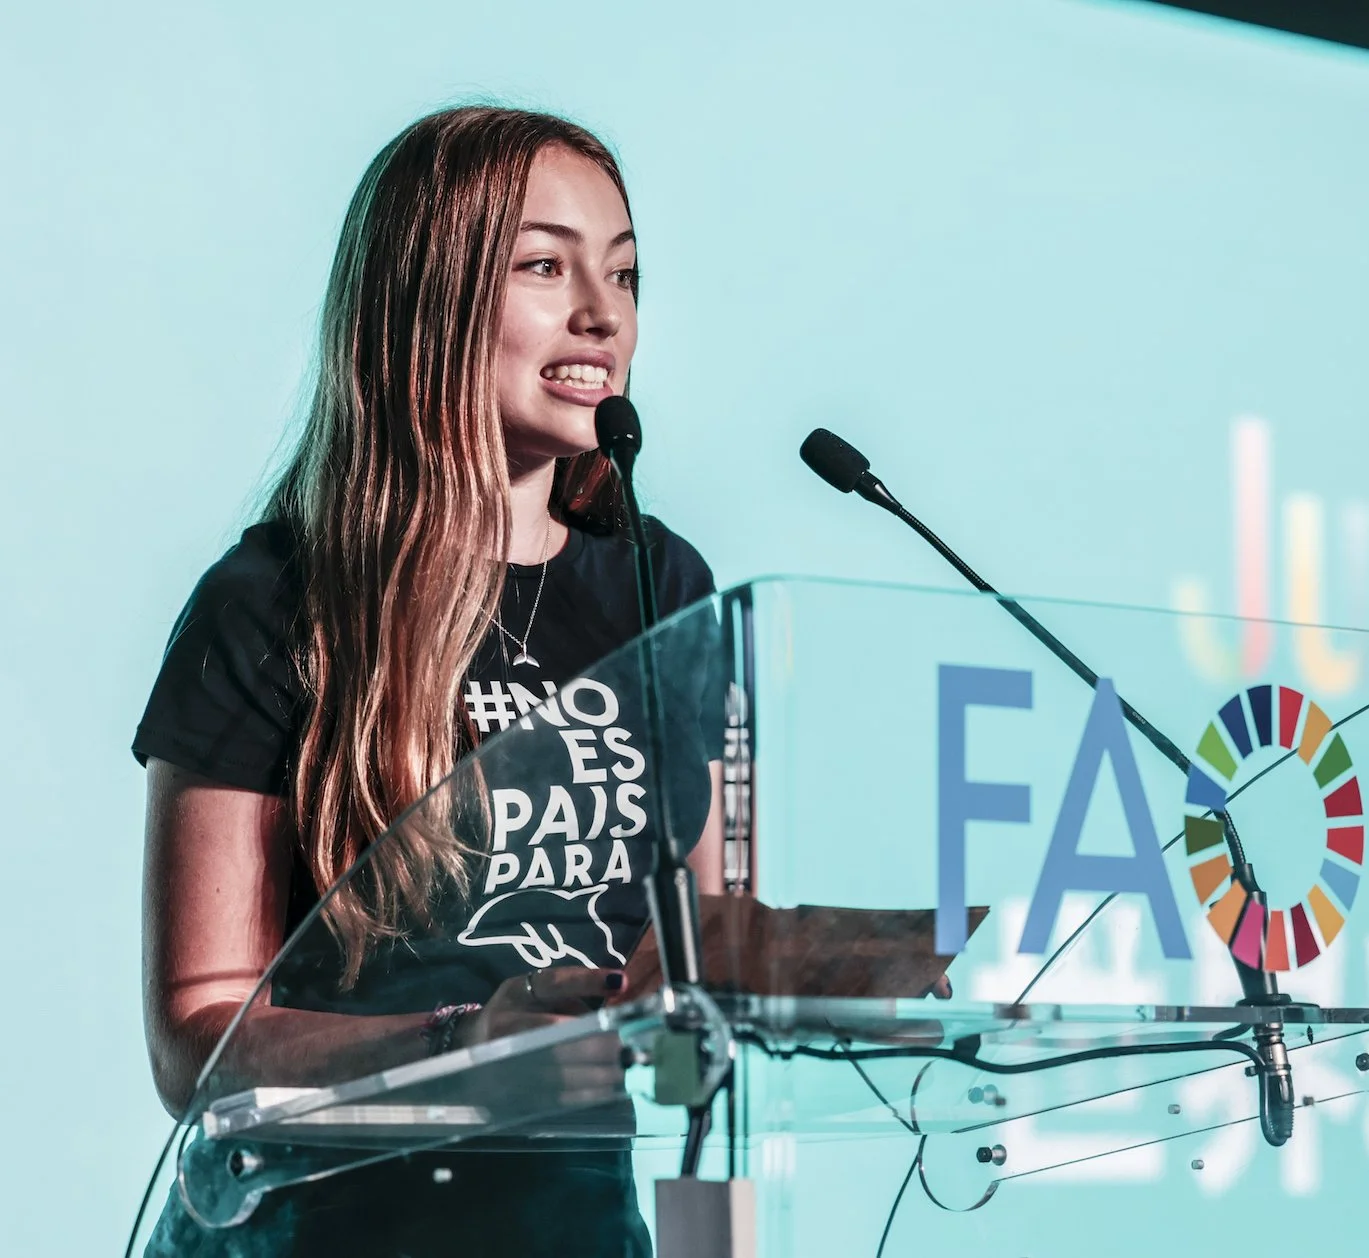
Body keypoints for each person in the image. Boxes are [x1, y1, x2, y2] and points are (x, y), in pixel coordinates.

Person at [133, 104, 729, 1257]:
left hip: (572, 1228)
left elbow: (708, 960)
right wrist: (470, 1037)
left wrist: (813, 973)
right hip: (315, 1232)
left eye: (625, 274)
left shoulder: (663, 586)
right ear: (429, 296)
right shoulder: (273, 598)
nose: (602, 314)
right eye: (546, 266)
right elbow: (195, 1042)